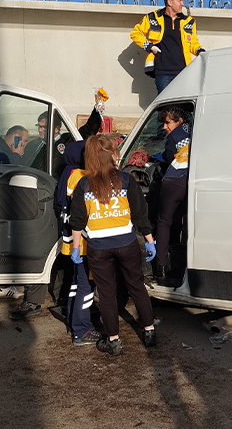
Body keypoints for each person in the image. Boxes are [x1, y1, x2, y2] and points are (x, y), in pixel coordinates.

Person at [11, 101, 104, 321]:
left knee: (59, 253)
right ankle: (34, 299)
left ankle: (60, 297)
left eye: (44, 127)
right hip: (39, 202)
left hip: (58, 206)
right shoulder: (35, 145)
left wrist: (97, 111)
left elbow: (85, 133)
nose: (40, 130)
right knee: (41, 251)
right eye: (39, 126)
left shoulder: (65, 143)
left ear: (56, 128)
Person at [69, 134, 157, 355]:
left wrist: (77, 247)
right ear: (113, 155)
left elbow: (77, 220)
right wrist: (149, 240)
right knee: (137, 286)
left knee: (107, 294)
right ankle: (149, 331)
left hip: (98, 248)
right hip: (127, 243)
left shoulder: (84, 184)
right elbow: (140, 215)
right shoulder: (126, 180)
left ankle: (114, 340)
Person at [55, 140, 100, 345]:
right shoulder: (82, 177)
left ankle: (75, 320)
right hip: (83, 242)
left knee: (76, 282)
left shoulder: (68, 174)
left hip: (71, 241)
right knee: (86, 284)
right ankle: (81, 330)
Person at [130, 0, 205, 93]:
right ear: (170, 2)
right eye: (180, 1)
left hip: (184, 72)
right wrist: (149, 47)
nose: (182, 4)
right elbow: (135, 33)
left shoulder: (189, 21)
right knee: (166, 108)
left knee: (184, 107)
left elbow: (193, 42)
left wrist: (200, 51)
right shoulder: (153, 17)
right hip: (163, 73)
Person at [152, 106, 191, 283]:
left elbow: (168, 158)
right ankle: (181, 262)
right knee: (182, 221)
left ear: (179, 120)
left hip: (174, 181)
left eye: (168, 123)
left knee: (164, 222)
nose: (165, 127)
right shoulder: (194, 130)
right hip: (189, 180)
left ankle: (160, 268)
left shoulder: (174, 137)